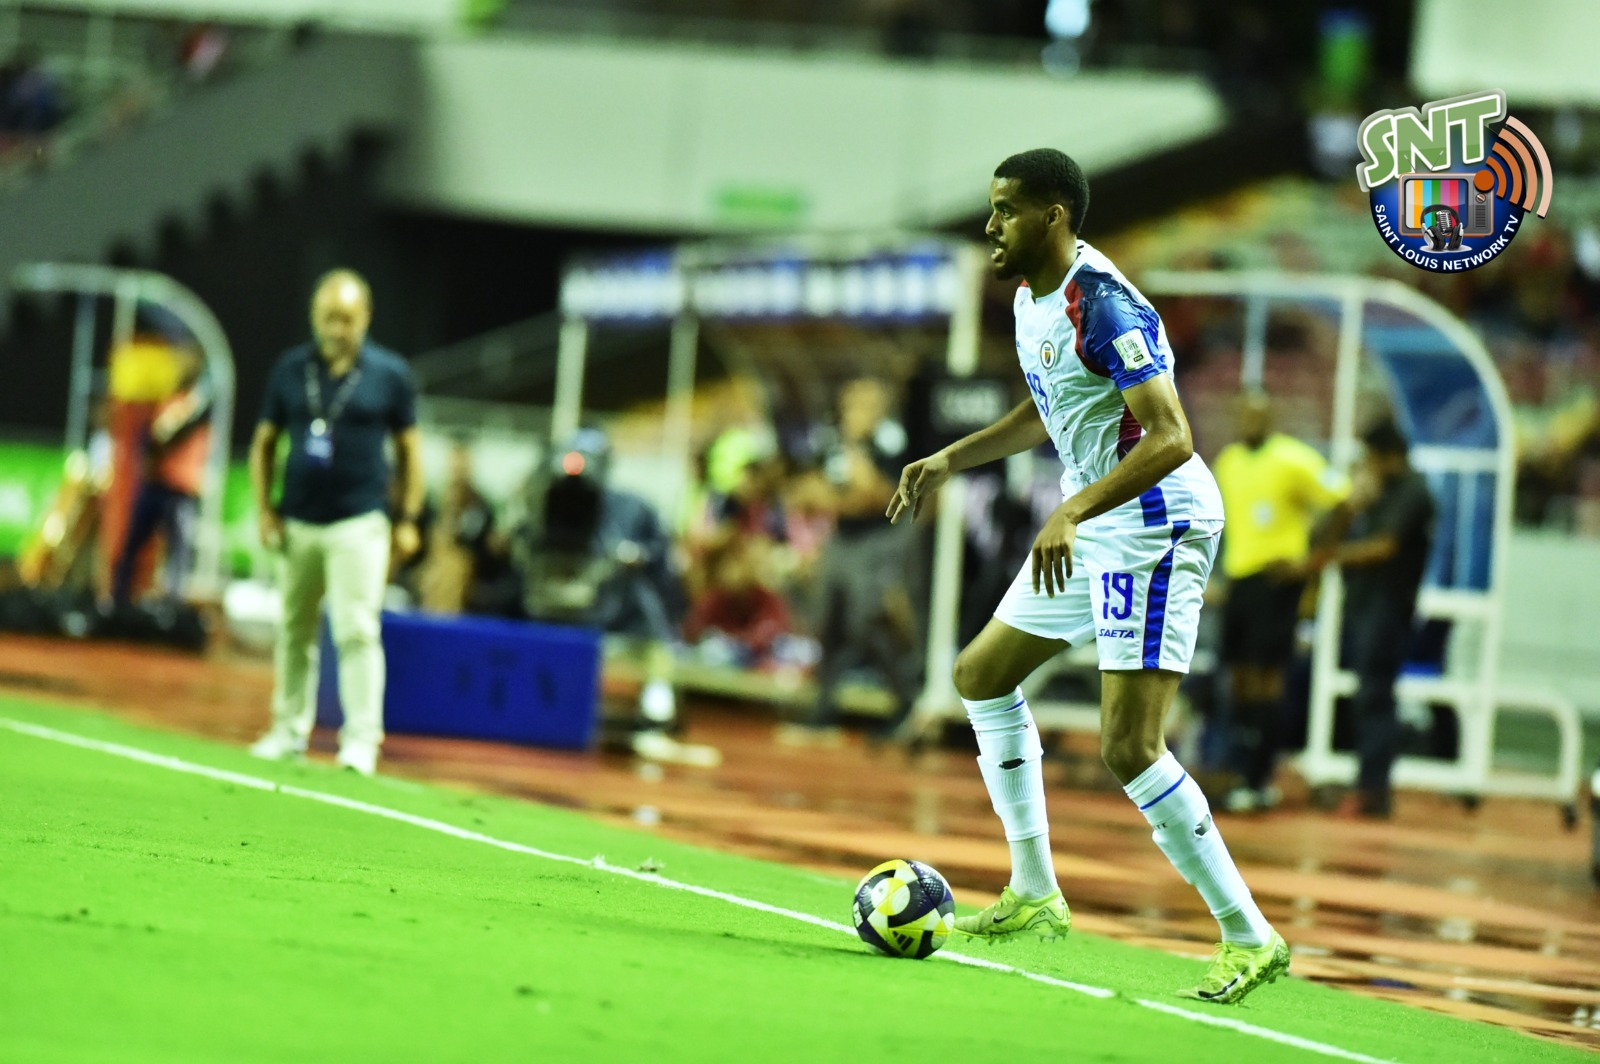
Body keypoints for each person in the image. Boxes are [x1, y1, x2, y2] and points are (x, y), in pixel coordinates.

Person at [889, 149, 1286, 1004]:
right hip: (1098, 518)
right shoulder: (1033, 300)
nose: (991, 225)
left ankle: (1249, 935)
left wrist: (1070, 511)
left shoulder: (1102, 302)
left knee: (1129, 746)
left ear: (1054, 215)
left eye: (1006, 210)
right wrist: (951, 458)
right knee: (980, 675)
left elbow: (1172, 434)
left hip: (1153, 524)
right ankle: (1035, 891)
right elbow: (1049, 406)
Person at [247, 270, 423, 776]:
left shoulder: (389, 374)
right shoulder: (291, 369)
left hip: (359, 523)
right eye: (329, 317)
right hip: (298, 520)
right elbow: (263, 443)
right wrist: (264, 509)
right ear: (314, 317)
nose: (337, 329)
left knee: (357, 629)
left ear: (365, 317)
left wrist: (408, 518)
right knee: (293, 629)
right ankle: (287, 730)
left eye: (347, 318)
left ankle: (361, 742)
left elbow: (411, 452)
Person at [1211, 392, 1349, 811]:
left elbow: (1343, 501)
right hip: (1239, 582)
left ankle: (1260, 778)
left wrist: (1311, 561)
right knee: (1238, 679)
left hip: (1276, 582)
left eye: (1258, 415)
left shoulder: (1293, 459)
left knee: (1267, 679)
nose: (1250, 422)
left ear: (1270, 418)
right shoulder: (1228, 462)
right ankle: (1240, 770)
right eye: (1243, 415)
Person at [1327, 420, 1435, 818]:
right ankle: (1368, 785)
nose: (1366, 464)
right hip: (1367, 606)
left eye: (1370, 456)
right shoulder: (1382, 492)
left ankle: (1373, 789)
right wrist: (1351, 505)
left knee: (1375, 697)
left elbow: (1384, 547)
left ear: (1389, 456)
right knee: (1368, 696)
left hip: (1388, 609)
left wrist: (1330, 557)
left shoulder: (1414, 492)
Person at [802, 377, 920, 740]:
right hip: (842, 537)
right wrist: (841, 497)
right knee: (828, 620)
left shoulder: (891, 442)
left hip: (879, 539)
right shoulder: (832, 441)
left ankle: (904, 703)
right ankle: (823, 705)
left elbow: (879, 496)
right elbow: (810, 490)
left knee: (870, 620)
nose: (854, 413)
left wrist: (856, 462)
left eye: (864, 405)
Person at [110, 348, 212, 607]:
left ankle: (171, 610)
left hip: (181, 490)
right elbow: (155, 438)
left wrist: (176, 423)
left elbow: (174, 435)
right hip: (156, 485)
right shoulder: (168, 401)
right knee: (132, 545)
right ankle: (117, 602)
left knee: (178, 554)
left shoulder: (199, 405)